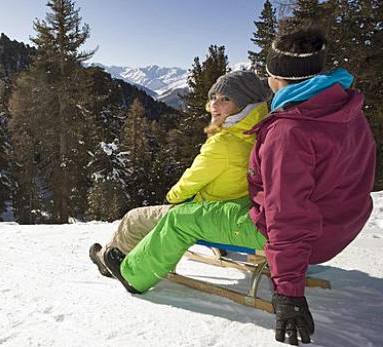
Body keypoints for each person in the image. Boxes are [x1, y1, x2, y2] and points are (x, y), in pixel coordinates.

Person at [103, 27, 376, 346]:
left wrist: (288, 292)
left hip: (300, 235)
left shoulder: (289, 130)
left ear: (276, 78)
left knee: (180, 219)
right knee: (223, 207)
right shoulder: (345, 111)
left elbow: (287, 217)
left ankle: (133, 276)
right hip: (338, 227)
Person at [89, 70, 271, 277]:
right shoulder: (261, 132)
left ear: (245, 104)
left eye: (225, 99)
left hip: (208, 212)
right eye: (213, 98)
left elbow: (191, 180)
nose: (214, 105)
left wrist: (171, 197)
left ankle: (107, 260)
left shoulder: (223, 143)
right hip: (237, 207)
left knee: (134, 218)